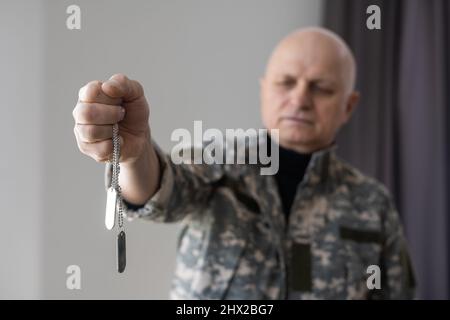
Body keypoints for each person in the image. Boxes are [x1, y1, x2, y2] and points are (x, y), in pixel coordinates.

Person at [72, 27, 416, 299]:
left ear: (349, 106)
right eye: (286, 83)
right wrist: (135, 153)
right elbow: (162, 191)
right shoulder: (213, 159)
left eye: (321, 88)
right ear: (264, 89)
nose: (300, 99)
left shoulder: (371, 203)